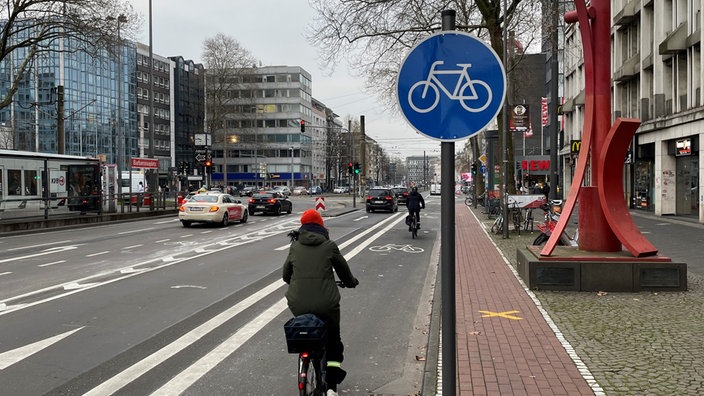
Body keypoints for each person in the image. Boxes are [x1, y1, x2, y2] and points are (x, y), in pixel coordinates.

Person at [283, 209, 359, 396]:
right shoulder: (329, 245)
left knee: (305, 330)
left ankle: (305, 361)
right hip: (327, 304)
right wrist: (351, 282)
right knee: (334, 342)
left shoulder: (295, 246)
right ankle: (332, 387)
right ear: (321, 227)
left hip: (298, 303)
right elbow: (344, 272)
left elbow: (286, 276)